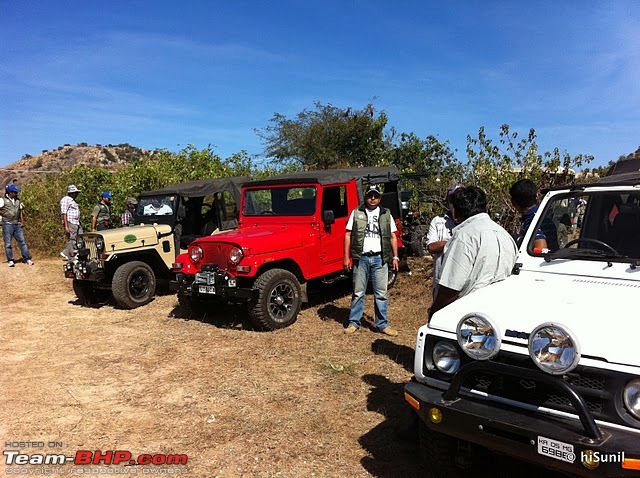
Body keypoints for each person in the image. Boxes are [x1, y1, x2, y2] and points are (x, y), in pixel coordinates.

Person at [429, 186, 517, 318]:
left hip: (468, 315)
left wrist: (434, 311)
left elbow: (450, 288)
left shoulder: (464, 236)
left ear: (455, 213)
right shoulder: (505, 235)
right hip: (497, 313)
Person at [343, 185, 400, 336]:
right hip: (360, 258)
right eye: (370, 196)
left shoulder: (386, 214)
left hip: (380, 258)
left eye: (375, 196)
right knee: (358, 292)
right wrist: (346, 256)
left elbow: (393, 236)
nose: (373, 198)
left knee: (381, 293)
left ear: (380, 197)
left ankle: (382, 324)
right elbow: (348, 234)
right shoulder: (357, 212)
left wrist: (395, 256)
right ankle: (354, 322)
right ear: (366, 197)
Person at [426, 182, 463, 296]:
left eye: (459, 198)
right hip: (441, 278)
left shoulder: (471, 222)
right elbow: (431, 247)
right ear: (447, 200)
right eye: (452, 198)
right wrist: (454, 242)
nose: (455, 202)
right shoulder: (438, 221)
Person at [509, 178, 559, 252]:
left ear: (513, 202)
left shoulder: (533, 220)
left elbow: (541, 248)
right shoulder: (541, 216)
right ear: (537, 196)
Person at [0, 184, 34, 267]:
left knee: (22, 242)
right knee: (8, 243)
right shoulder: (2, 200)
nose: (16, 193)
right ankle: (10, 260)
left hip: (17, 224)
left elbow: (20, 211)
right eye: (14, 192)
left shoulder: (18, 201)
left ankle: (27, 259)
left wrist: (22, 221)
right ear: (10, 192)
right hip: (7, 224)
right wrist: (1, 213)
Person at [60, 185, 82, 260]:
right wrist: (66, 225)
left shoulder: (72, 201)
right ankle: (68, 254)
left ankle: (73, 253)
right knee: (72, 238)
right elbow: (64, 213)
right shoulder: (65, 200)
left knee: (80, 237)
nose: (77, 194)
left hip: (76, 222)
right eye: (75, 193)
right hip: (71, 222)